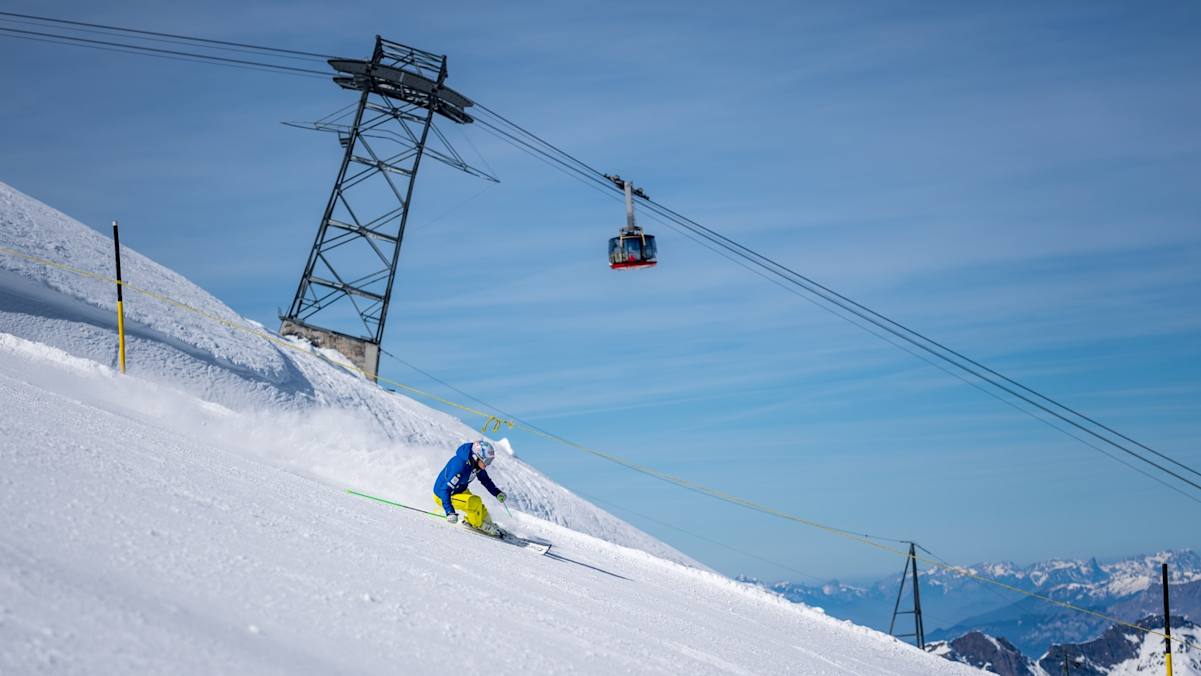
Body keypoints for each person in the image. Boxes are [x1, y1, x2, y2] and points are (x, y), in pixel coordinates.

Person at [433, 439, 507, 536]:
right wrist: (450, 512)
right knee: (474, 502)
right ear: (476, 457)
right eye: (486, 461)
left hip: (460, 491)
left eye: (490, 461)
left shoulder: (476, 465)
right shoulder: (460, 466)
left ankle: (488, 524)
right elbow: (445, 490)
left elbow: (485, 480)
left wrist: (497, 493)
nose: (487, 464)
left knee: (480, 508)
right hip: (443, 495)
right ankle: (477, 524)